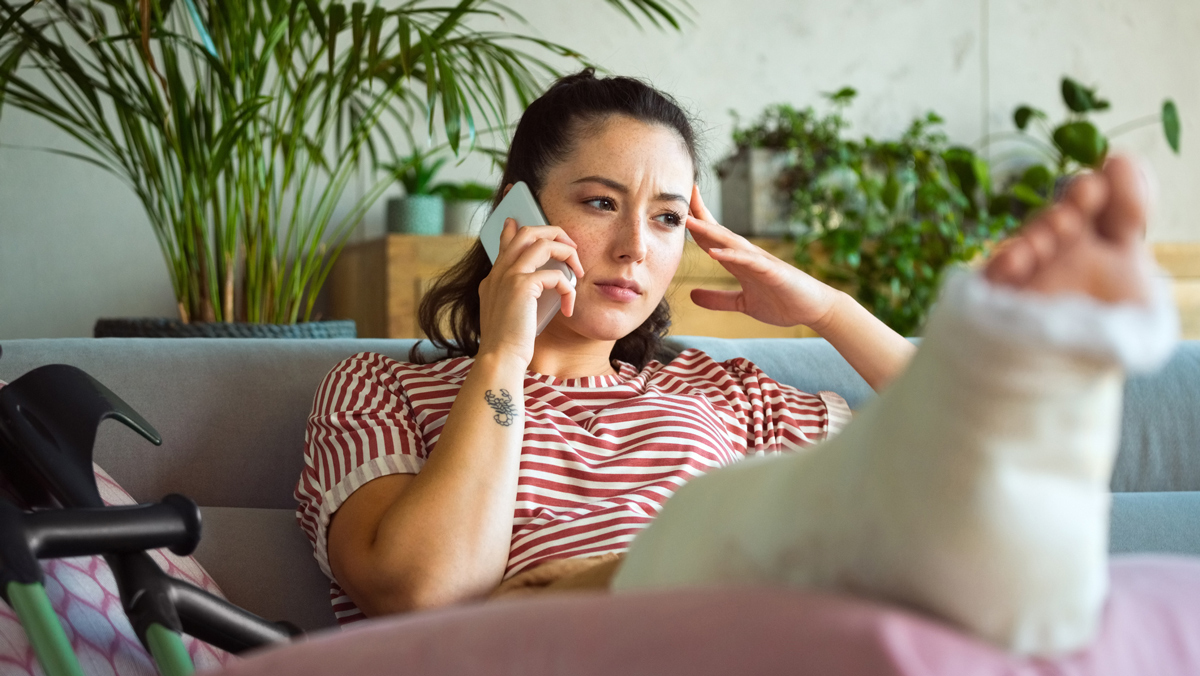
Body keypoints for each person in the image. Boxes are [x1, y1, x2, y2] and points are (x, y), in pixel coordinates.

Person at [294, 69, 1177, 656]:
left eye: (667, 218)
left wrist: (829, 311)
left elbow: (954, 453)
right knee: (754, 539)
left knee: (932, 495)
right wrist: (503, 354)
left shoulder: (722, 391)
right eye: (600, 202)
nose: (635, 246)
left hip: (755, 644)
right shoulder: (381, 387)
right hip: (546, 650)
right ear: (514, 214)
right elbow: (422, 590)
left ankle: (1028, 381)